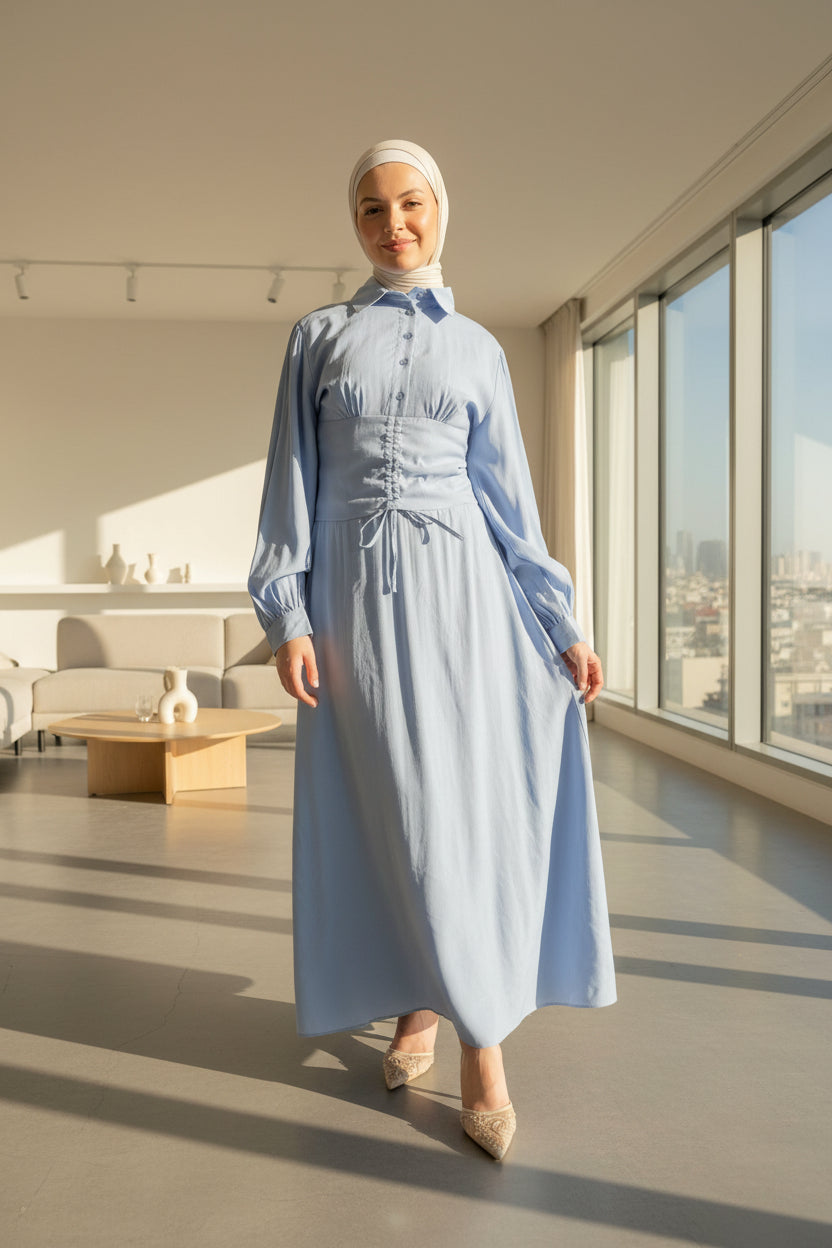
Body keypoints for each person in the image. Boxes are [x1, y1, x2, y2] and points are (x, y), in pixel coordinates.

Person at [248, 138, 616, 1161]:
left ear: (441, 209)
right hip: (359, 613)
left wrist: (560, 625)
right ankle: (418, 997)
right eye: (372, 209)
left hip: (469, 610)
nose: (393, 223)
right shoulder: (317, 337)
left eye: (410, 204)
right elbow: (287, 487)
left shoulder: (481, 351)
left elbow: (510, 509)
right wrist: (289, 615)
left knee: (461, 811)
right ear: (355, 223)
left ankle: (479, 1042)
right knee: (393, 814)